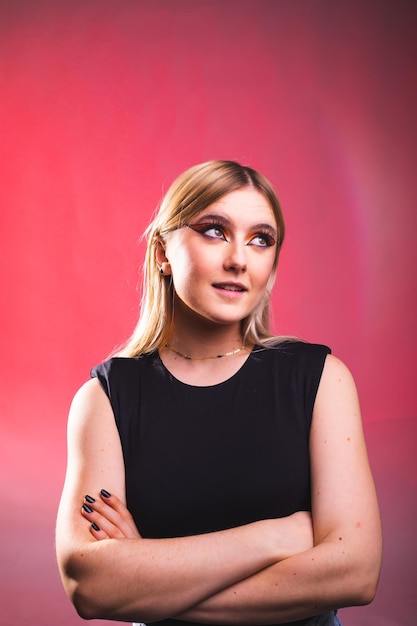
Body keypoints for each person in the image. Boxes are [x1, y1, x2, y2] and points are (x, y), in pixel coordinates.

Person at [56, 160, 382, 626]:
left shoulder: (319, 379)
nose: (239, 259)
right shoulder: (107, 397)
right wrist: (274, 538)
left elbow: (356, 573)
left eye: (260, 239)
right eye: (214, 231)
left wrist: (148, 580)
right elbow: (89, 587)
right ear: (163, 252)